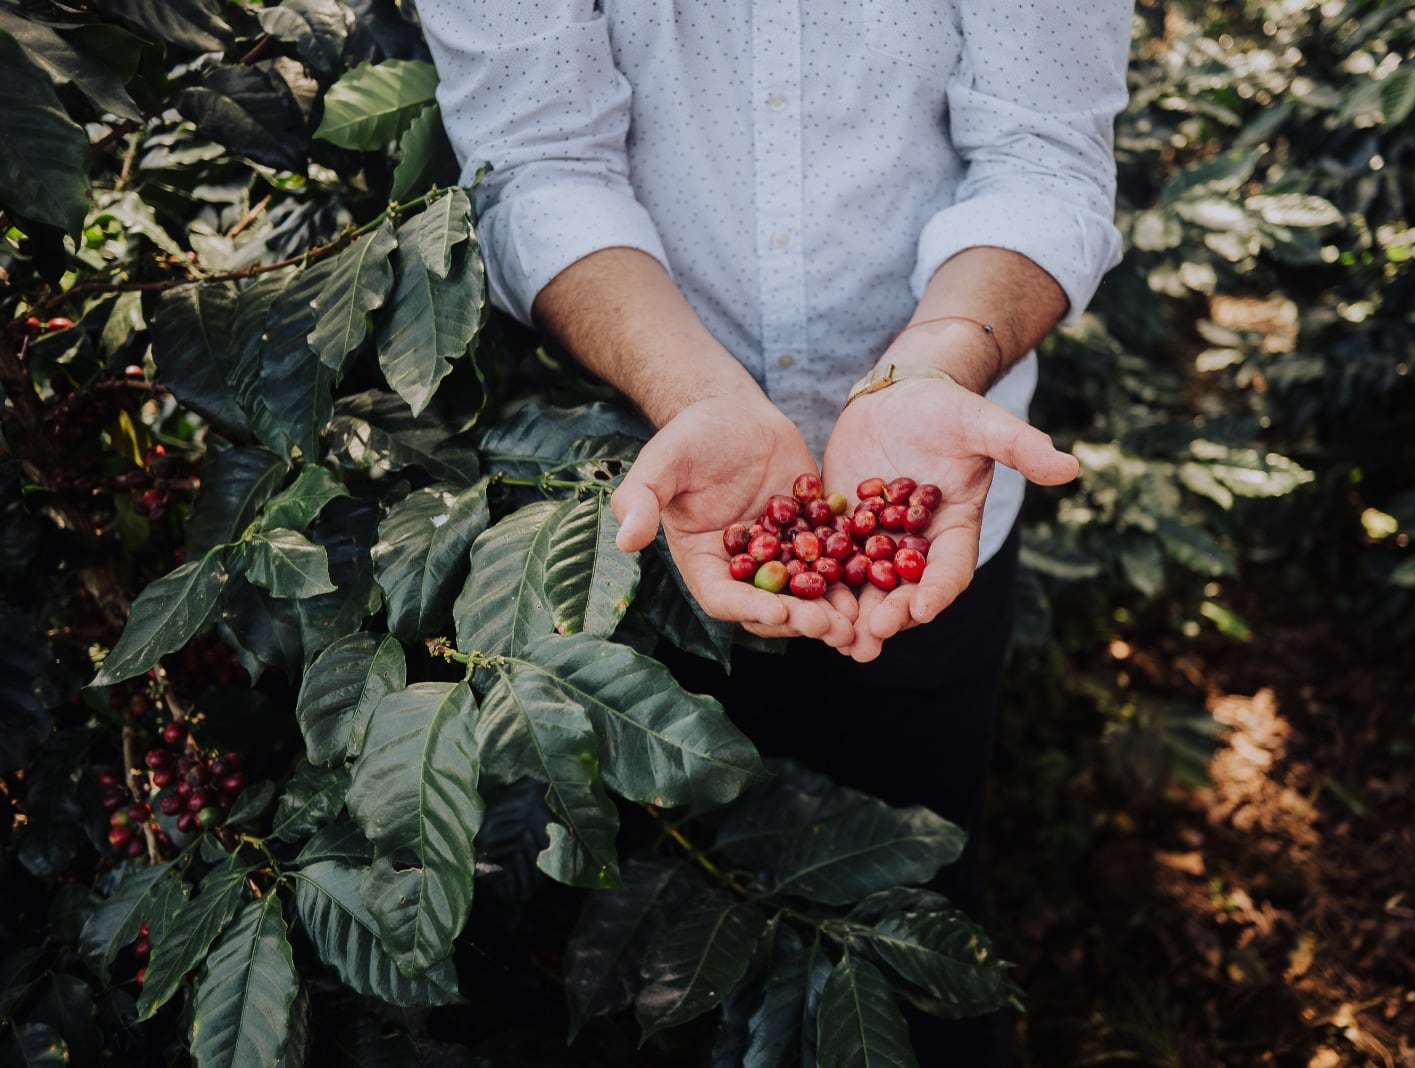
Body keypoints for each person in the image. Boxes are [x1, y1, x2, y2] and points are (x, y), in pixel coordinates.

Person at [415, 0, 1130, 1058]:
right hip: (653, 498)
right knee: (666, 917)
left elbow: (1044, 156)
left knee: (918, 873)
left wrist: (934, 363)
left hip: (941, 499)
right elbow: (534, 163)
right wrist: (695, 394)